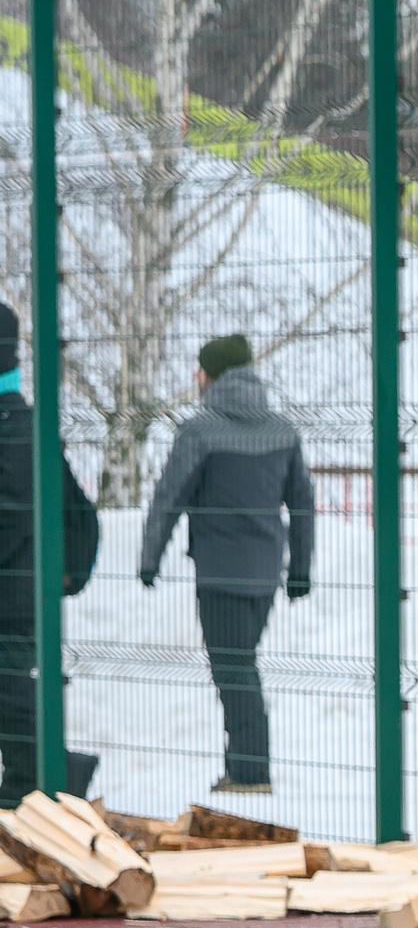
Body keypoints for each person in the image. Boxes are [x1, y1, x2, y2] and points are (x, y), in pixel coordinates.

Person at [138, 334, 313, 795]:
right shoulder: (283, 430)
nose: (195, 379)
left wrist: (149, 558)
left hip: (218, 572)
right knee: (241, 665)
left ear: (212, 376)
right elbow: (303, 505)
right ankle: (244, 768)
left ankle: (250, 773)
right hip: (265, 573)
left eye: (199, 371)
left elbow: (168, 497)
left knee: (233, 670)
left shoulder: (201, 431)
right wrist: (300, 571)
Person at [0, 303, 100, 801]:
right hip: (28, 588)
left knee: (13, 692)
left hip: (13, 591)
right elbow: (78, 510)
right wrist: (69, 574)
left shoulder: (15, 428)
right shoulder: (32, 425)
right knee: (14, 688)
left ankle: (46, 783)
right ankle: (41, 782)